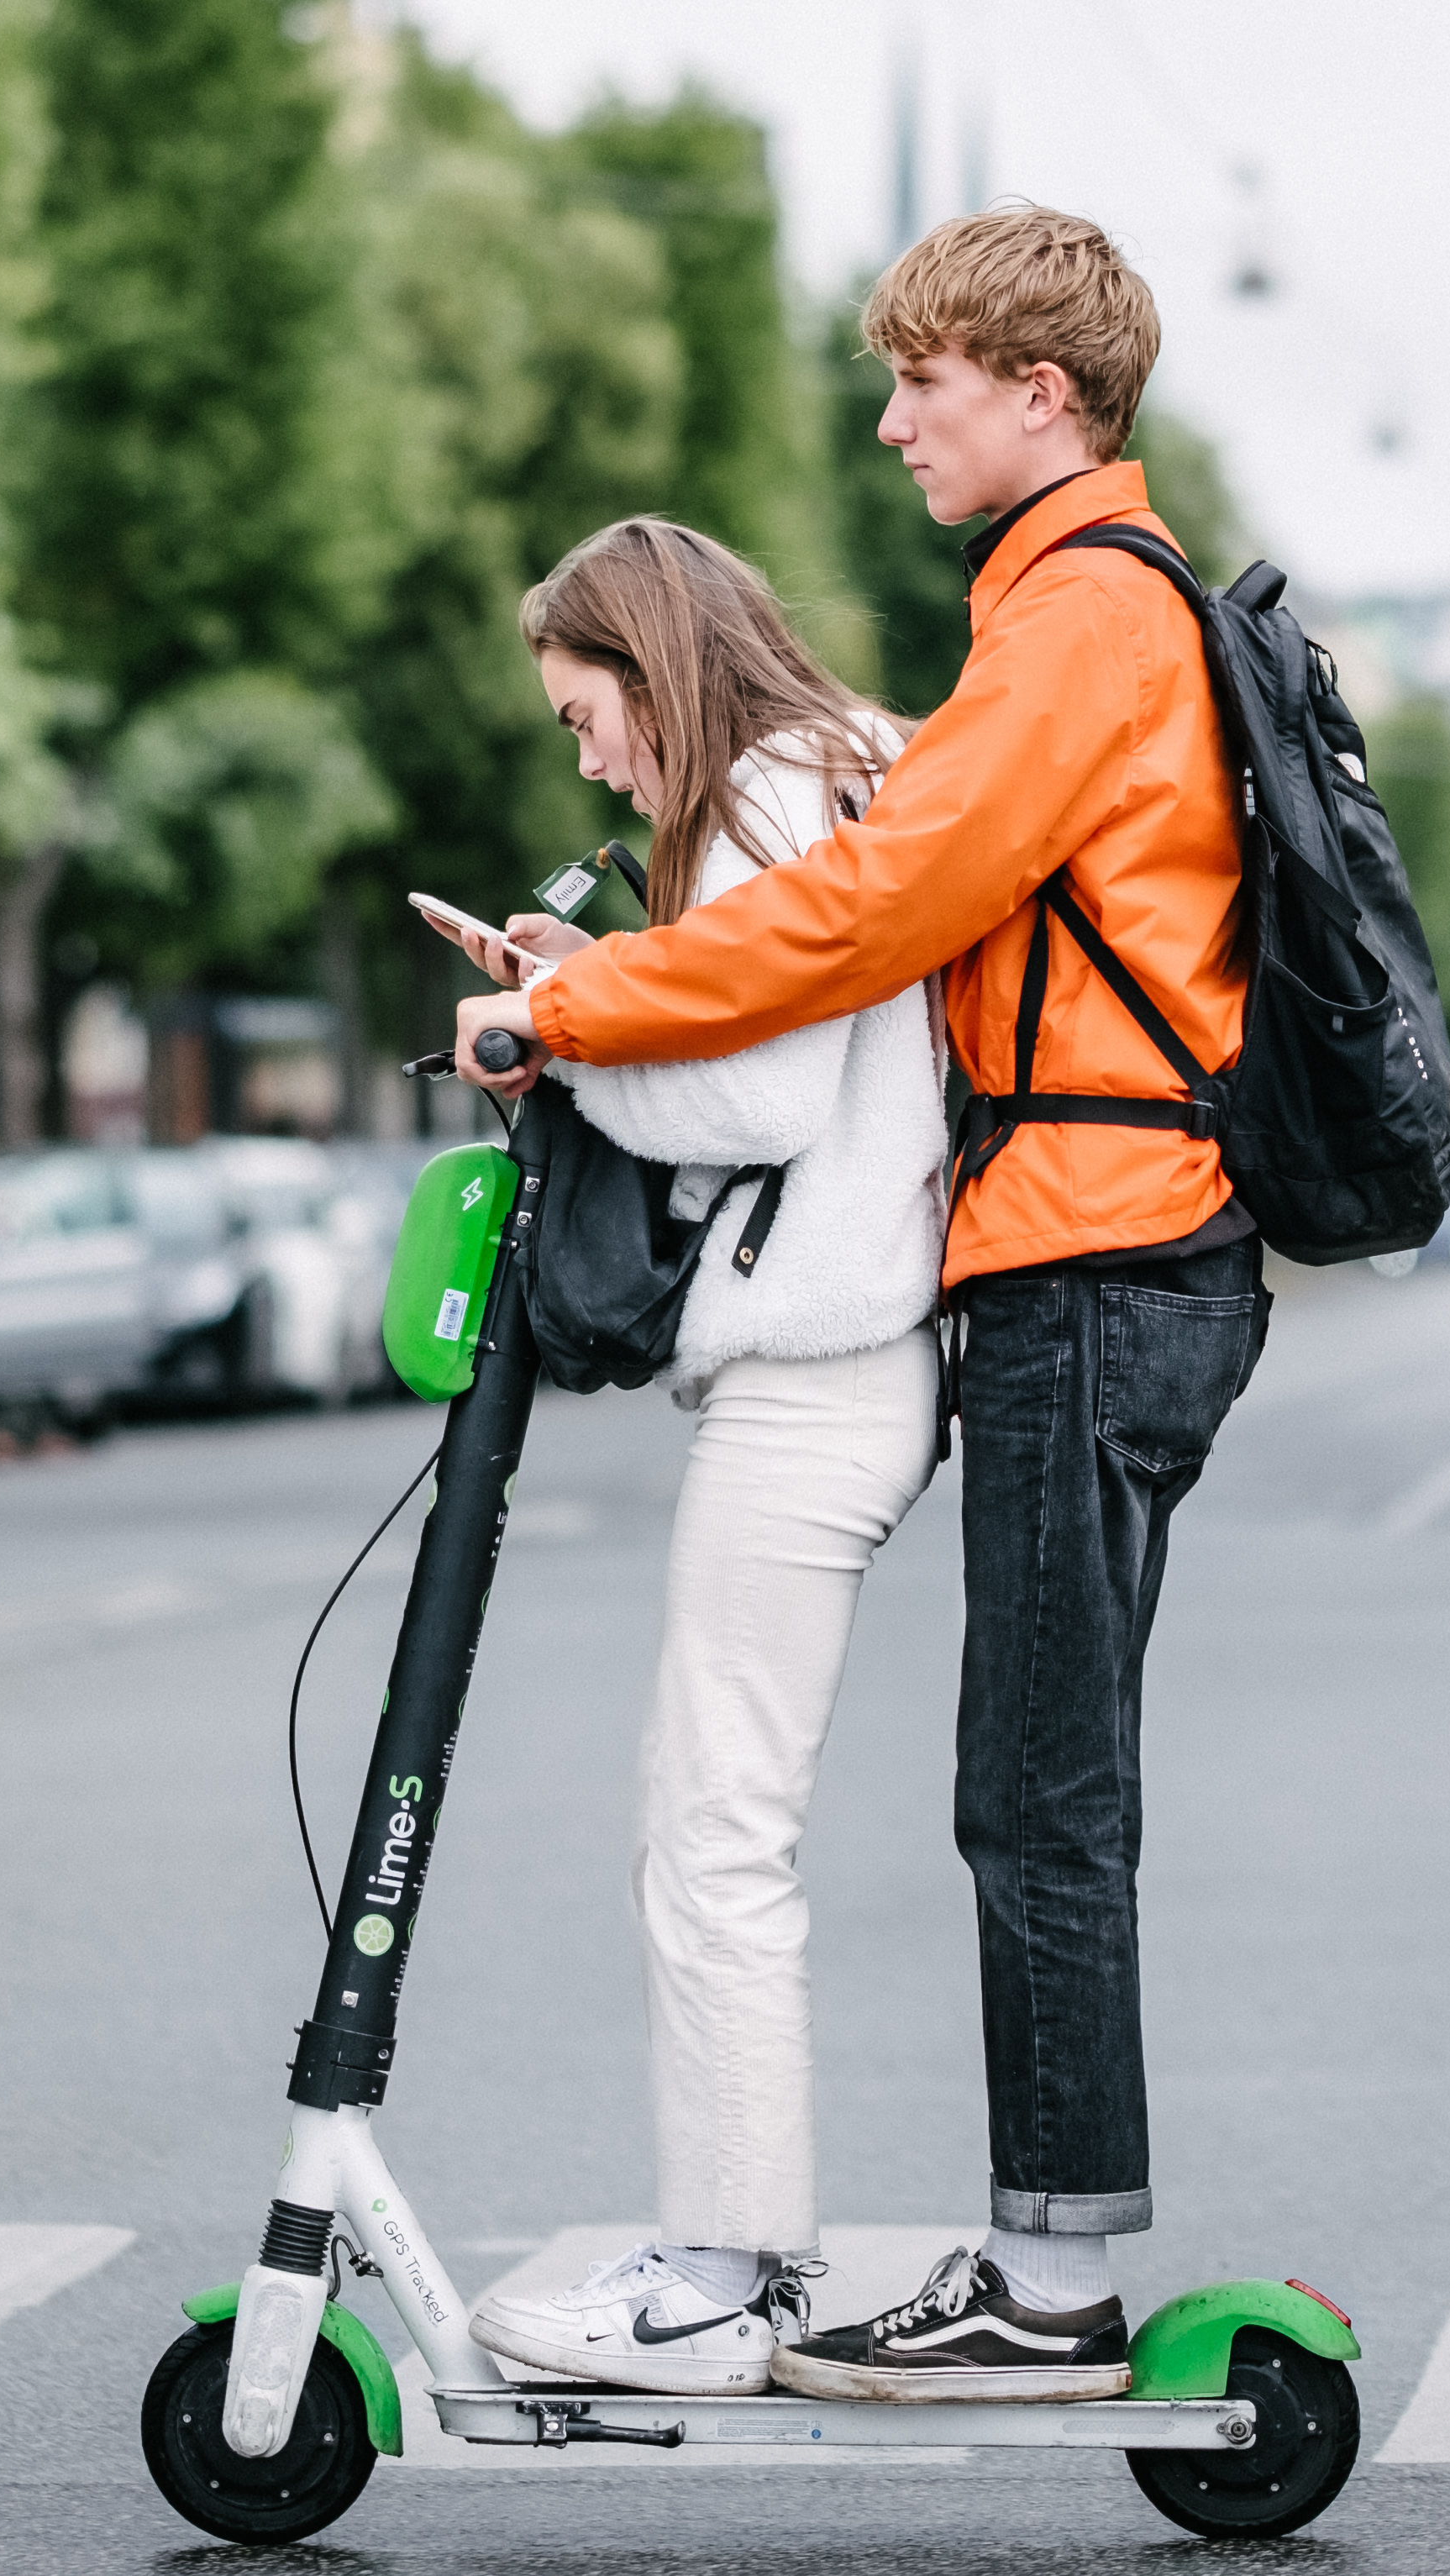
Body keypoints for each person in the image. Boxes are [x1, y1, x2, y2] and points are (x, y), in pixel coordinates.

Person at [458, 200, 1256, 2407]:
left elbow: (869, 917)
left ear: (1042, 387)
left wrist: (587, 1005)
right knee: (1020, 1783)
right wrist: (601, 992)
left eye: (922, 378)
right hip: (1063, 1258)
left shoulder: (1085, 617)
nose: (888, 418)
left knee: (1032, 1788)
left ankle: (1043, 2284)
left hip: (1102, 1245)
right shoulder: (1038, 626)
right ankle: (1026, 2264)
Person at [435, 519, 954, 2401]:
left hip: (815, 1364)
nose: (586, 758)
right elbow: (755, 1029)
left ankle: (720, 2279)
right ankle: (740, 2253)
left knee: (710, 1832)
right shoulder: (844, 765)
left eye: (586, 712)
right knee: (717, 1823)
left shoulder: (761, 788)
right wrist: (604, 984)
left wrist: (551, 1030)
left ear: (653, 668)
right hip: (855, 1357)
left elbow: (753, 1092)